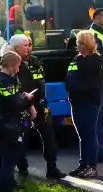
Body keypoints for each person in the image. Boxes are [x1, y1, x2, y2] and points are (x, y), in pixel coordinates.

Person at [6, 34, 63, 180]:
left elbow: (40, 82)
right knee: (21, 141)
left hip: (39, 105)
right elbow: (18, 89)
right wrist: (28, 105)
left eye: (30, 44)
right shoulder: (10, 65)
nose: (29, 48)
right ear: (16, 48)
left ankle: (52, 168)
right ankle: (23, 170)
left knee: (49, 137)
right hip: (23, 108)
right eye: (26, 45)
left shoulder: (36, 61)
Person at [0, 51, 36, 192]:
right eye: (17, 66)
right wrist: (28, 99)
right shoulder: (6, 82)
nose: (18, 69)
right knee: (8, 166)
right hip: (10, 126)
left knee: (0, 163)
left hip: (1, 123)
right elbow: (14, 104)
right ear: (11, 65)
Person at [65, 30, 103, 178]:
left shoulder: (94, 60)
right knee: (82, 135)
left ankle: (91, 166)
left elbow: (87, 79)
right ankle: (83, 164)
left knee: (89, 134)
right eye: (77, 43)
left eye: (81, 43)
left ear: (87, 44)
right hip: (76, 101)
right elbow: (69, 77)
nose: (78, 46)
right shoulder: (76, 59)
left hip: (89, 102)